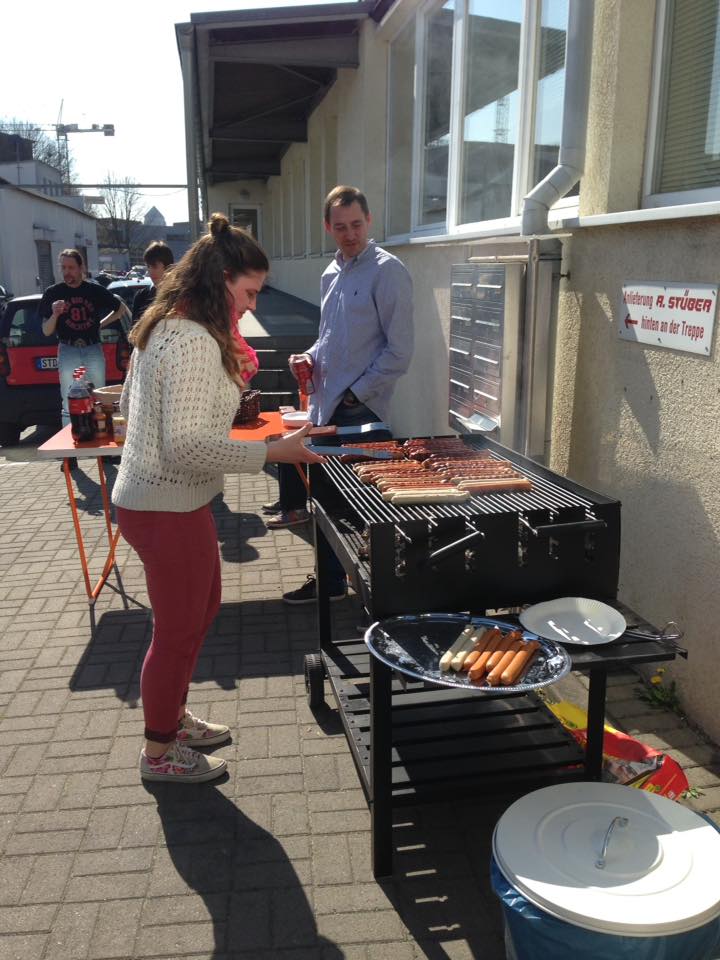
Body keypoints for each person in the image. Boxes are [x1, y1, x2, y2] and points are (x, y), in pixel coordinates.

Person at [111, 213, 323, 785]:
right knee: (177, 630)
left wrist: (226, 384)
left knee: (199, 612)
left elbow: (132, 407)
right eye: (249, 293)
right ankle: (159, 751)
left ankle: (172, 721)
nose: (252, 306)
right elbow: (186, 445)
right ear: (222, 279)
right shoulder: (192, 339)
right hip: (164, 505)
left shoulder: (169, 324)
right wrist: (273, 452)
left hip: (166, 501)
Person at [267, 185, 414, 605]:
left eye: (356, 225)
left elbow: (400, 350)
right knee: (326, 500)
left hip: (360, 410)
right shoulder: (330, 272)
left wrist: (356, 395)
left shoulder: (388, 271)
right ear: (327, 227)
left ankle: (380, 590)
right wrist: (308, 356)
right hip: (325, 406)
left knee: (366, 505)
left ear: (369, 221)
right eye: (340, 226)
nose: (349, 234)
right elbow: (329, 338)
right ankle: (333, 582)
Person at [40, 249, 129, 469]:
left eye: (71, 267)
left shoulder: (93, 290)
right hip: (68, 348)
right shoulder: (53, 293)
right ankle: (69, 455)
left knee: (99, 398)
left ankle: (104, 451)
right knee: (68, 400)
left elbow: (120, 309)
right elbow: (46, 330)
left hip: (92, 348)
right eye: (63, 267)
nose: (67, 272)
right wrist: (55, 314)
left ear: (82, 268)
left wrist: (100, 324)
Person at [131, 240, 174, 325]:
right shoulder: (141, 297)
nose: (150, 271)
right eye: (148, 266)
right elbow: (134, 330)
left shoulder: (177, 296)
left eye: (154, 266)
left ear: (168, 267)